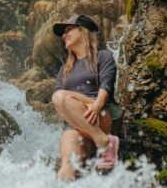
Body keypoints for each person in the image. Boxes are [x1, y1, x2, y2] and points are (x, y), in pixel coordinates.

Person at [50, 14, 122, 181]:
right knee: (67, 163)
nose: (64, 35)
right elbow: (63, 107)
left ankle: (105, 142)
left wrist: (96, 105)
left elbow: (107, 85)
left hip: (102, 113)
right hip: (79, 125)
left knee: (59, 96)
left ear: (83, 31)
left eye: (69, 30)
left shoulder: (103, 56)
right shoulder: (64, 70)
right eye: (63, 32)